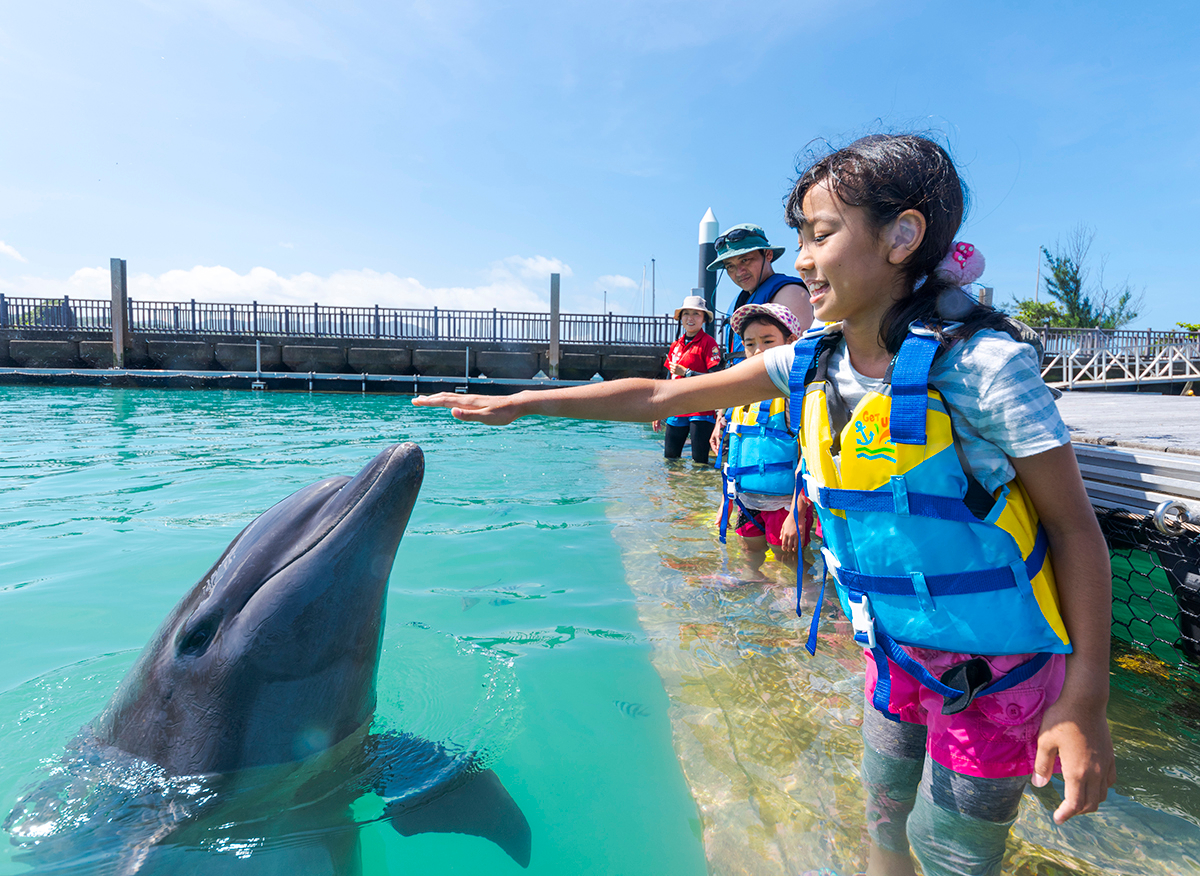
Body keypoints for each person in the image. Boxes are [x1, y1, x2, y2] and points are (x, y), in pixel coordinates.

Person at [414, 133, 1116, 876]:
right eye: (799, 240)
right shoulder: (808, 360)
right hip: (896, 657)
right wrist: (525, 402)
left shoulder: (982, 367)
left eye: (820, 236)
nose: (803, 262)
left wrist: (1084, 702)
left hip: (995, 672)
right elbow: (660, 395)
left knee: (956, 853)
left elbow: (1075, 533)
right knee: (881, 818)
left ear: (902, 237)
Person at [710, 303, 806, 562]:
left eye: (768, 341)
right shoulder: (739, 395)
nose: (758, 350)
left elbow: (809, 459)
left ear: (791, 341)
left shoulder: (795, 397)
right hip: (745, 499)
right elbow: (734, 452)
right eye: (750, 343)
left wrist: (796, 512)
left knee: (787, 562)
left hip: (785, 503)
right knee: (750, 556)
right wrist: (726, 502)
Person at [708, 223, 814, 364]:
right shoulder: (741, 300)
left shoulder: (790, 292)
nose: (739, 272)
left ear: (768, 254)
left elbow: (799, 359)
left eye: (745, 260)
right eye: (730, 266)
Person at [653, 295, 721, 463]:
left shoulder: (709, 343)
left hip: (701, 409)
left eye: (696, 314)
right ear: (680, 318)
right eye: (686, 314)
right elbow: (669, 378)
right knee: (670, 459)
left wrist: (688, 373)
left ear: (704, 319)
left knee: (699, 461)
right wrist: (659, 409)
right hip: (676, 406)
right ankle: (675, 489)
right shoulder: (675, 345)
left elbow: (717, 378)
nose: (690, 318)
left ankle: (697, 489)